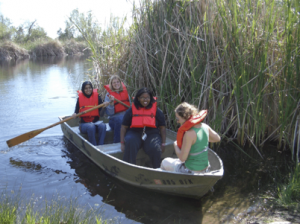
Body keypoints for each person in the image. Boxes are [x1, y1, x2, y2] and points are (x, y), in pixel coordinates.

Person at [161, 102, 220, 174]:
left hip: (191, 171)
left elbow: (182, 158)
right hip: (206, 169)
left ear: (184, 117)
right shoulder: (205, 126)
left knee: (164, 162)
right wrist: (200, 140)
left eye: (178, 118)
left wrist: (175, 144)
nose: (177, 121)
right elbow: (217, 138)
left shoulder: (189, 134)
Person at [120, 87, 166, 168]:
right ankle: (129, 168)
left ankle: (156, 169)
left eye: (147, 97)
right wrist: (122, 143)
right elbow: (123, 127)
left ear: (150, 98)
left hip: (151, 134)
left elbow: (162, 128)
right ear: (138, 98)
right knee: (130, 142)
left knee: (155, 148)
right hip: (134, 133)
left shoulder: (157, 110)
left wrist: (163, 143)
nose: (145, 100)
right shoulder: (131, 110)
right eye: (142, 98)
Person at [72, 81, 109, 146]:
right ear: (83, 89)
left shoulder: (98, 97)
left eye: (90, 88)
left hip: (95, 123)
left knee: (103, 126)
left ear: (92, 88)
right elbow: (76, 112)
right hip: (84, 125)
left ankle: (101, 146)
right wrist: (74, 114)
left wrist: (103, 108)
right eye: (86, 88)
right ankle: (94, 146)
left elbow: (101, 115)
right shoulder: (79, 99)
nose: (88, 90)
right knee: (91, 127)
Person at [104, 75, 131, 143]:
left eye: (118, 82)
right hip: (114, 120)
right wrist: (111, 104)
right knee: (120, 120)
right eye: (114, 82)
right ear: (111, 84)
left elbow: (129, 108)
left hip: (125, 118)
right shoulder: (108, 95)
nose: (116, 84)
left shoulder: (125, 93)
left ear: (120, 82)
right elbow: (110, 113)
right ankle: (117, 142)